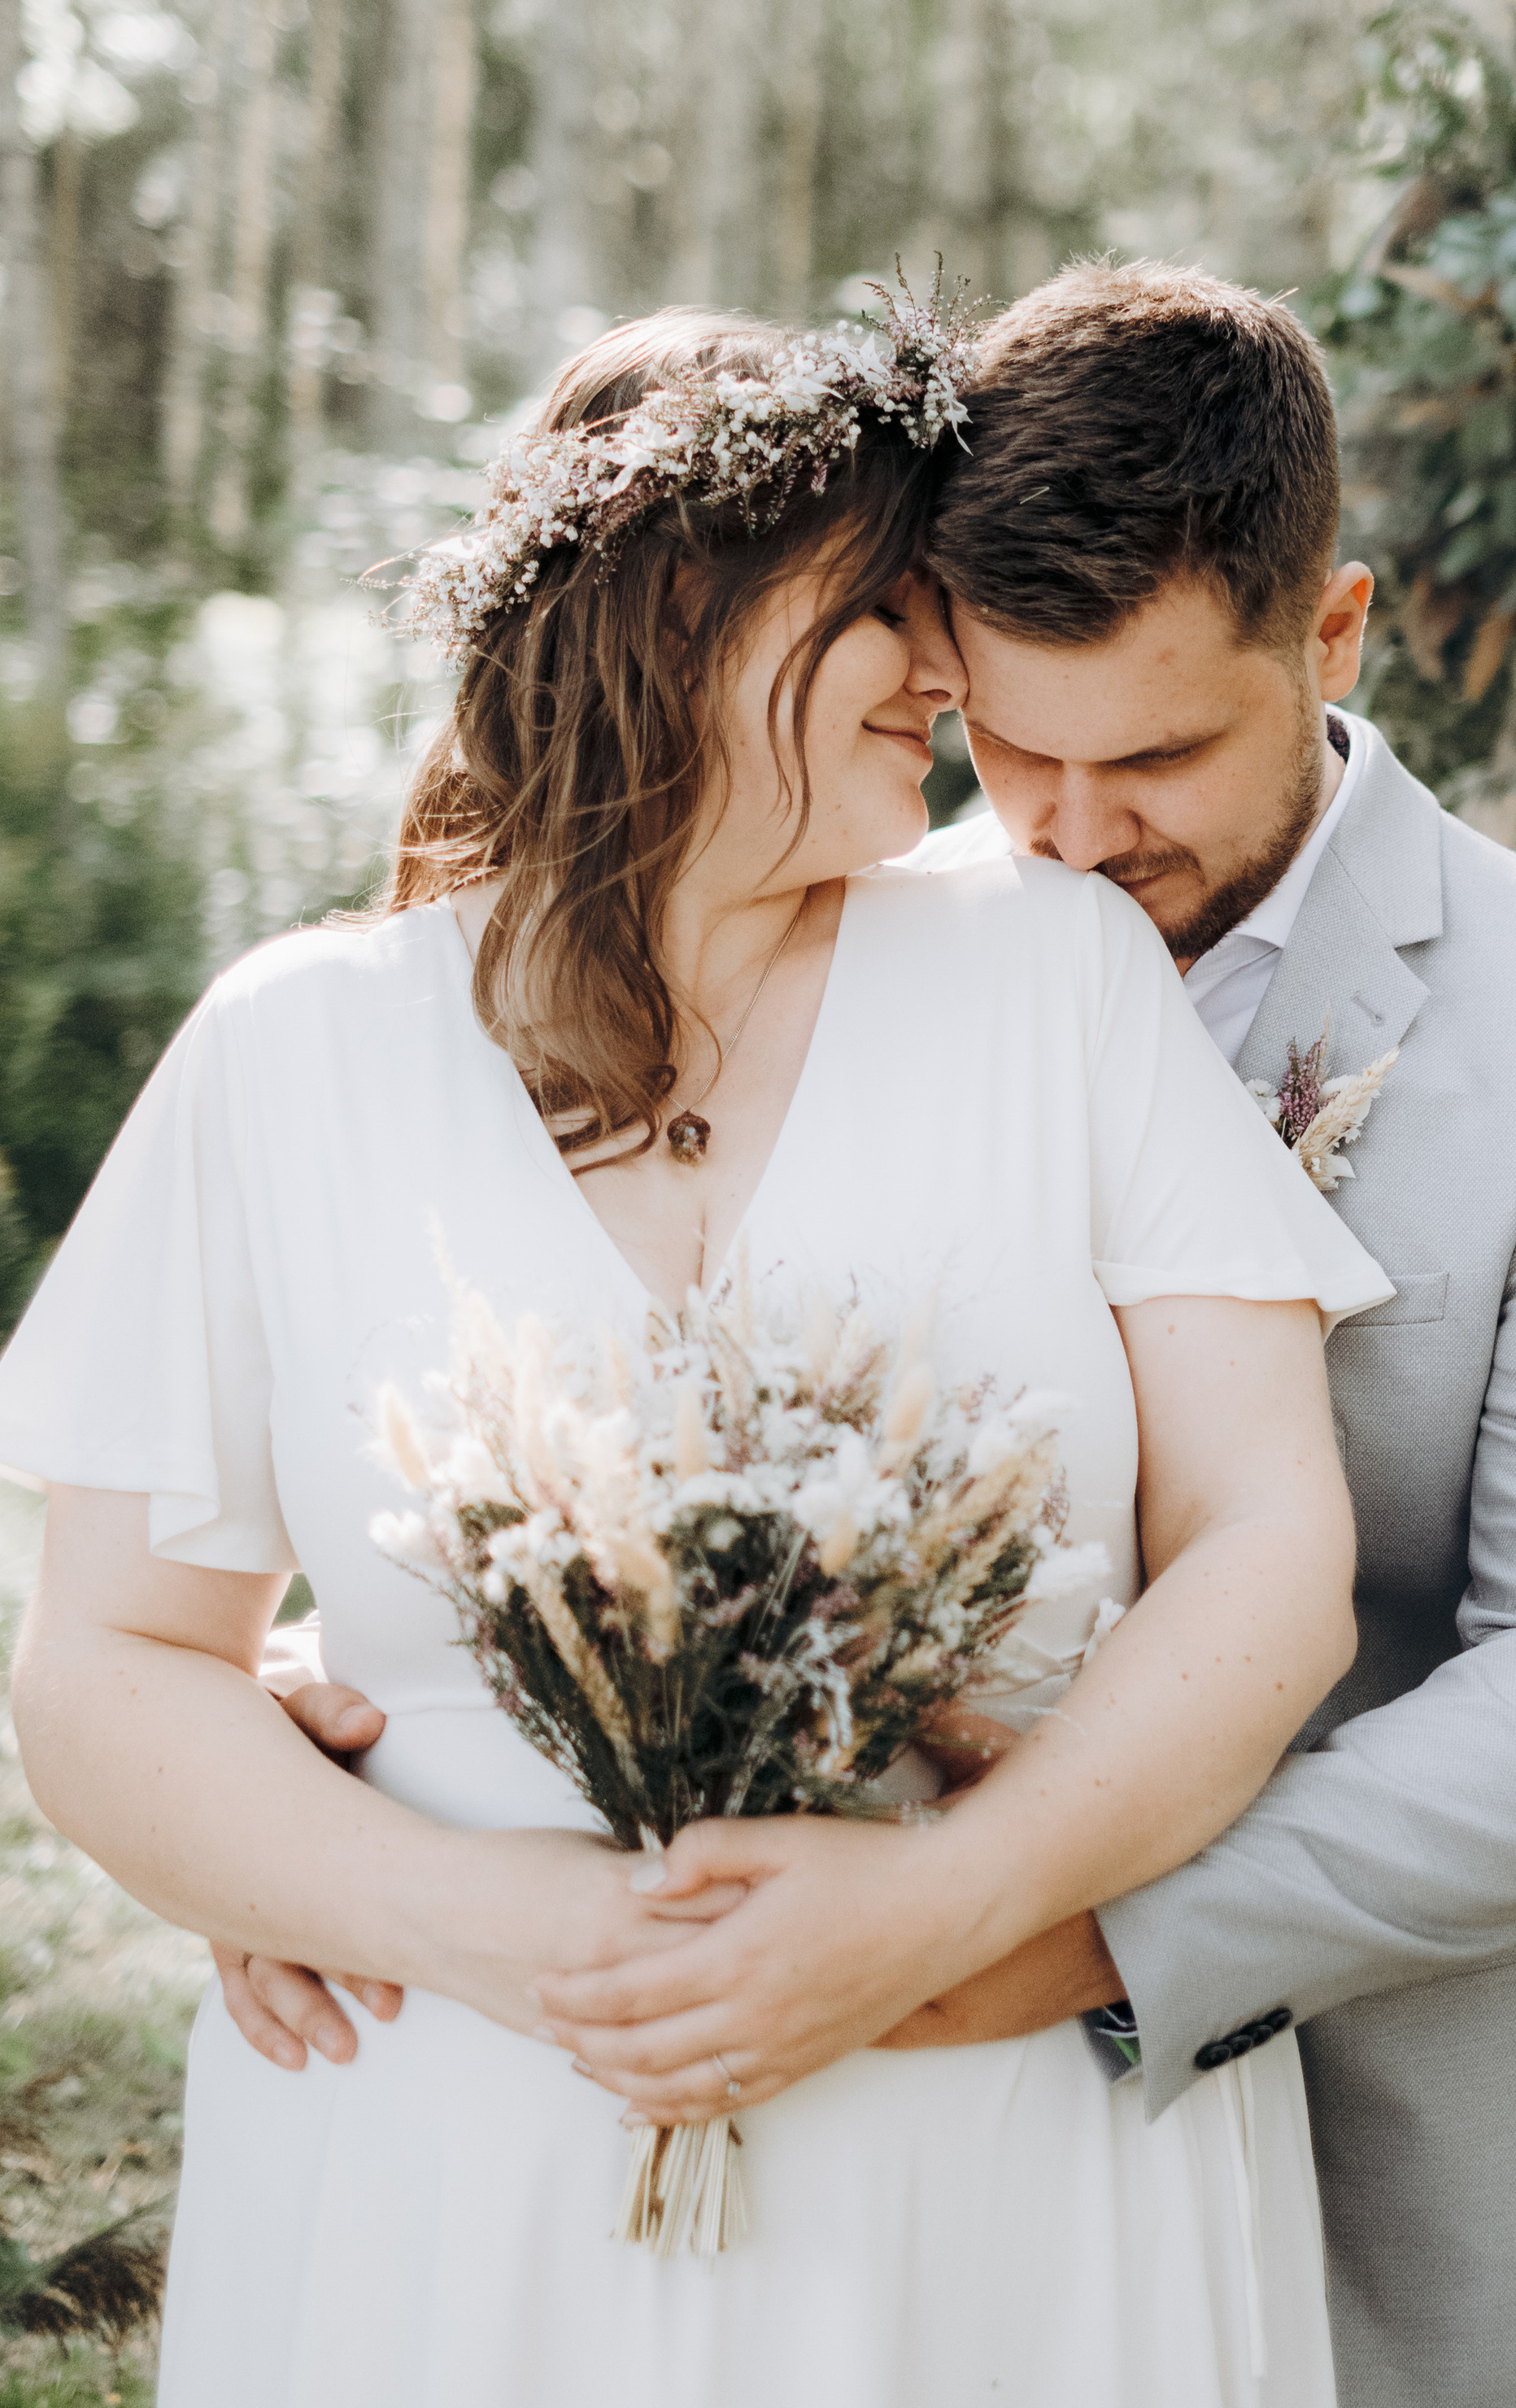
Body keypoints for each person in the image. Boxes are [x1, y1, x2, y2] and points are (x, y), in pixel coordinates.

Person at [223, 260, 1516, 2408]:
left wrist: (1048, 1930)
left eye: (1150, 755)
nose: (1060, 832)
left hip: (1403, 2161)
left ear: (1331, 634)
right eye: (1005, 746)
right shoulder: (840, 939)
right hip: (922, 2191)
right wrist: (418, 1712)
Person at [0, 301, 1392, 2408]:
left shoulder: (1062, 976)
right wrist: (511, 1942)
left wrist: (941, 1916)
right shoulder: (298, 1050)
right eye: (881, 604)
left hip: (999, 2158)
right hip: (446, 2168)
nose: (946, 672)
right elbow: (108, 1667)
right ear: (673, 605)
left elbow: (1273, 1548)